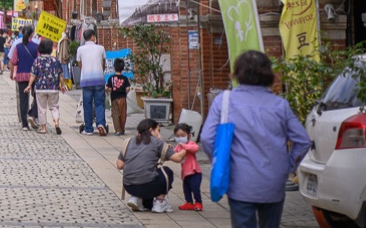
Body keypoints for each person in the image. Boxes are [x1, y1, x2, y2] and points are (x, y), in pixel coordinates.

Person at [200, 50, 310, 228]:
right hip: (274, 182)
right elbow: (303, 141)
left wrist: (221, 159)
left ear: (236, 73)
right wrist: (288, 166)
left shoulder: (224, 101)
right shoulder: (280, 105)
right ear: (269, 74)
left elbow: (206, 138)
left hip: (239, 181)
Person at [117, 118, 186, 213]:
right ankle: (159, 202)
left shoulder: (128, 141)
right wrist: (188, 147)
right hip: (148, 185)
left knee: (148, 204)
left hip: (129, 186)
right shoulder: (157, 142)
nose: (159, 134)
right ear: (150, 130)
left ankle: (137, 197)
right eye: (158, 130)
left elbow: (120, 165)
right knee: (167, 171)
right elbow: (178, 158)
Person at [26, 37, 66, 135]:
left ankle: (43, 128)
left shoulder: (37, 60)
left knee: (41, 108)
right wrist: (62, 85)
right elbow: (60, 74)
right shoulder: (55, 60)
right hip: (53, 88)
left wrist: (29, 85)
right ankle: (56, 122)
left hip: (40, 88)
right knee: (54, 107)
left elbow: (33, 75)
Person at [76, 29, 107, 136]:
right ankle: (101, 124)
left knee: (87, 104)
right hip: (99, 79)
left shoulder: (80, 49)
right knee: (100, 103)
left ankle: (88, 128)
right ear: (93, 37)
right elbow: (104, 64)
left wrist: (84, 72)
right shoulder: (101, 48)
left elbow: (80, 64)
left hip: (86, 80)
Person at [9, 25, 40, 130]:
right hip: (34, 76)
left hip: (21, 75)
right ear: (32, 33)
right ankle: (32, 114)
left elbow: (13, 61)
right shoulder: (36, 46)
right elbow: (39, 61)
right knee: (37, 97)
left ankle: (25, 124)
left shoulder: (18, 47)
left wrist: (12, 73)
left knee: (23, 100)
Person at [173, 123, 203, 211]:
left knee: (195, 188)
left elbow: (195, 148)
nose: (180, 138)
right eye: (177, 136)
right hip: (185, 173)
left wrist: (184, 146)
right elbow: (174, 154)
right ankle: (189, 202)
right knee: (186, 189)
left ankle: (198, 202)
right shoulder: (178, 147)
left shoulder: (191, 144)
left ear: (188, 136)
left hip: (195, 172)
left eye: (182, 135)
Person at [107, 58, 132, 136]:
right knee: (123, 114)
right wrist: (124, 92)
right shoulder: (125, 78)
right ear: (123, 68)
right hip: (122, 98)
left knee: (115, 114)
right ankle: (122, 129)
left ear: (114, 67)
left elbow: (108, 88)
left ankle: (117, 130)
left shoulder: (111, 78)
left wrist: (108, 89)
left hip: (114, 97)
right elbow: (128, 88)